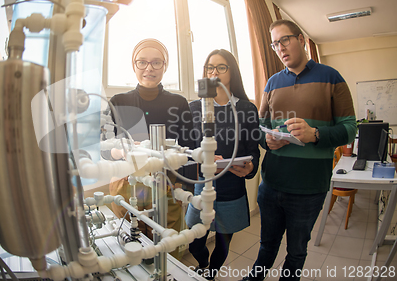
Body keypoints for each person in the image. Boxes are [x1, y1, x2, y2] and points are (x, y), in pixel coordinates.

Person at [241, 20, 357, 281]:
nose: (280, 48)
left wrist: (315, 134)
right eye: (274, 44)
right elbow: (260, 126)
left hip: (309, 188)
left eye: (285, 40)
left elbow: (351, 127)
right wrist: (267, 140)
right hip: (271, 184)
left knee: (296, 251)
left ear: (301, 39)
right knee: (266, 244)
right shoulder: (271, 83)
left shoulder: (331, 77)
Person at [107, 38, 195, 260]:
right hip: (126, 183)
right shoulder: (118, 101)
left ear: (165, 66)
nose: (149, 68)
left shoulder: (179, 102)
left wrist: (184, 187)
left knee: (167, 250)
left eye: (157, 62)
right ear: (133, 65)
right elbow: (104, 147)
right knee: (128, 247)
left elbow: (190, 148)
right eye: (142, 62)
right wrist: (121, 150)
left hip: (167, 184)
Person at [185, 49, 260, 280]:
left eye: (221, 67)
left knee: (224, 243)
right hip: (202, 186)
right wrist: (199, 159)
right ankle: (202, 262)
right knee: (194, 240)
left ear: (232, 72)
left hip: (231, 188)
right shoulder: (194, 108)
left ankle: (211, 274)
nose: (214, 72)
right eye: (210, 67)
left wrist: (250, 168)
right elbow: (186, 148)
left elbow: (252, 151)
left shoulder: (246, 109)